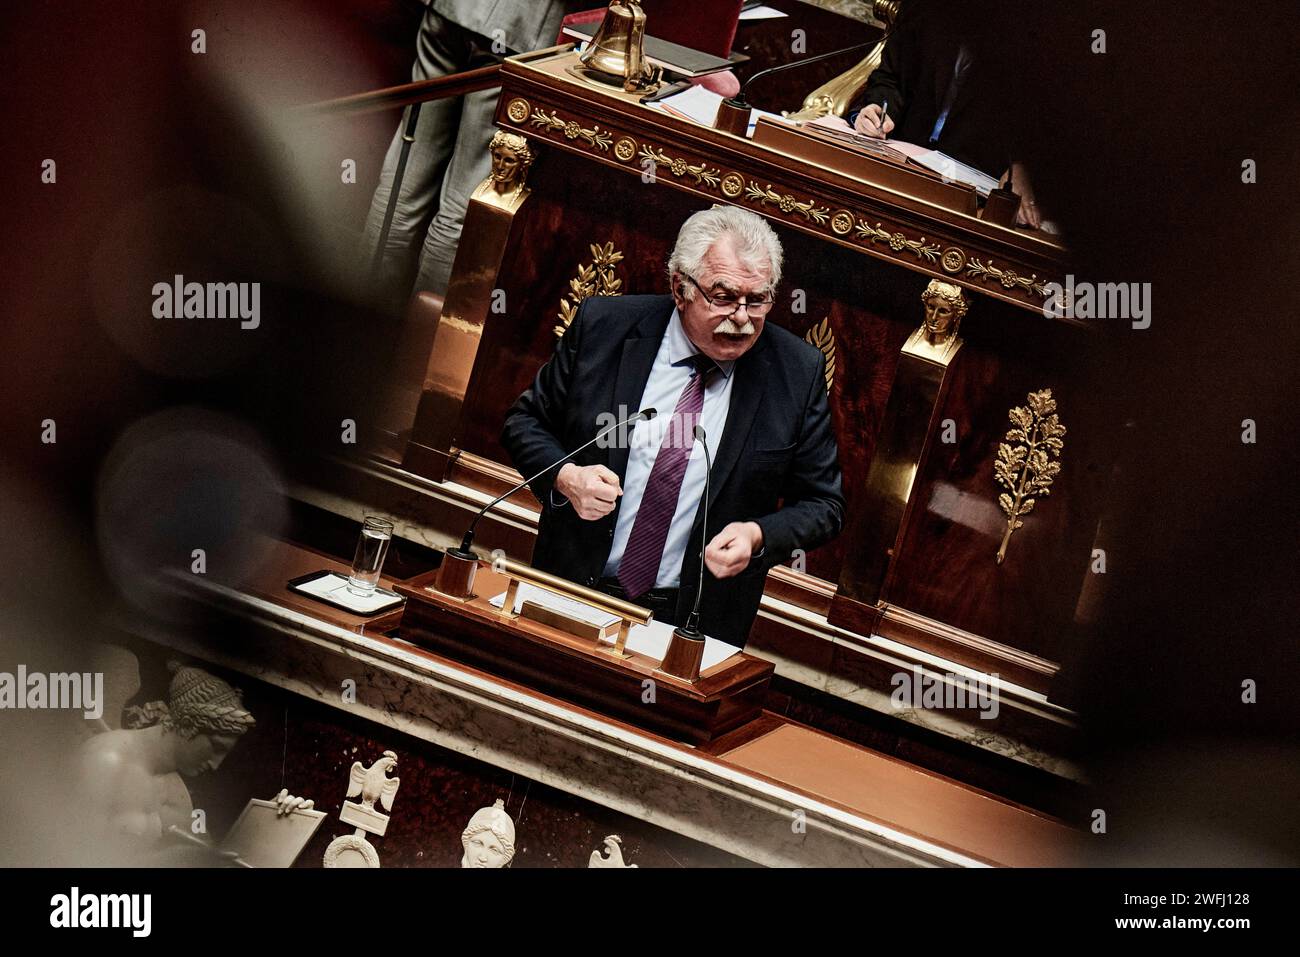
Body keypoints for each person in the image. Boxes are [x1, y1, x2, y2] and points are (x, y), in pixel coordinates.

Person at [501, 206, 844, 647]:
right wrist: (566, 477)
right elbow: (524, 422)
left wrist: (758, 536)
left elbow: (824, 505)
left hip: (693, 624)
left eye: (757, 301)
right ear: (679, 287)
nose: (741, 318)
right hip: (569, 591)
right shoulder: (605, 327)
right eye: (723, 297)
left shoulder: (795, 372)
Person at [364, 1, 579, 307]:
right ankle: (419, 341)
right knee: (462, 203)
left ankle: (358, 318)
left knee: (404, 179)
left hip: (451, 10)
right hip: (518, 30)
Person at [813, 0, 1043, 227]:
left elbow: (1045, 118)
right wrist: (876, 112)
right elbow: (889, 79)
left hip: (974, 190)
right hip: (901, 166)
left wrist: (1024, 166)